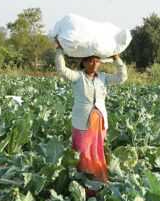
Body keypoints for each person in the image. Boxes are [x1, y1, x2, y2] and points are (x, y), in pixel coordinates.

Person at [54, 36, 127, 191]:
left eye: (97, 61)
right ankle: (83, 183)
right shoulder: (78, 77)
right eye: (91, 61)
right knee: (82, 152)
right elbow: (61, 69)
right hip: (82, 121)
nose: (94, 64)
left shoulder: (103, 78)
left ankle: (97, 180)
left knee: (97, 150)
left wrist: (116, 59)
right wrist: (59, 49)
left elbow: (122, 77)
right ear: (84, 62)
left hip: (99, 121)